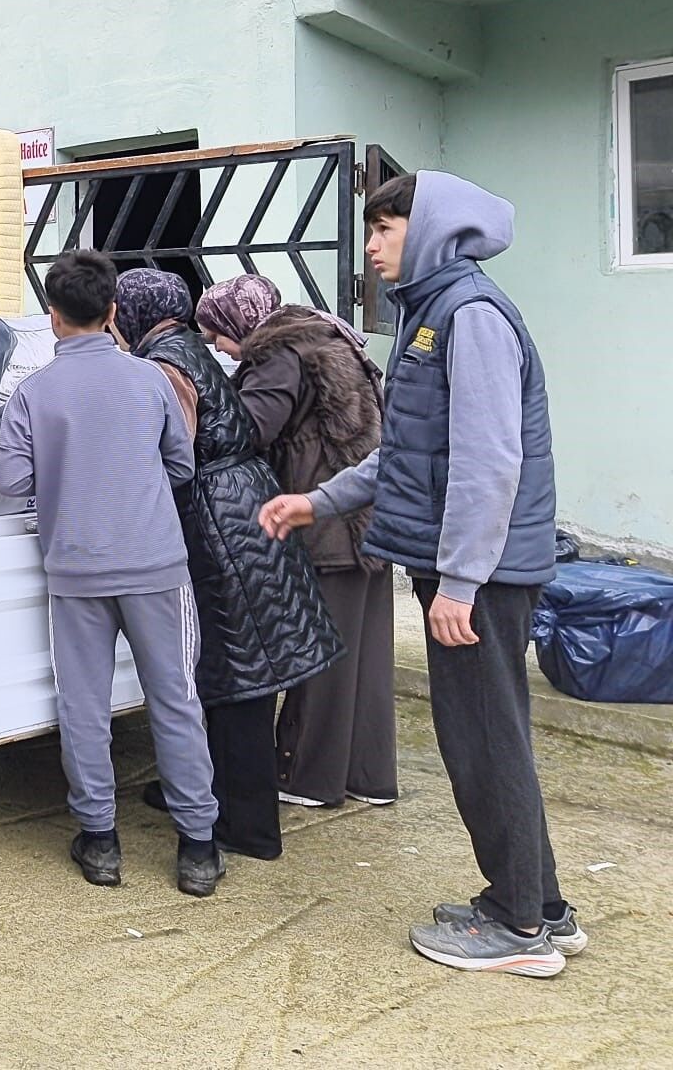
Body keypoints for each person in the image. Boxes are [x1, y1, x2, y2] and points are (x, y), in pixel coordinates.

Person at [262, 172, 583, 977]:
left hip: (482, 570)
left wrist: (461, 583)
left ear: (431, 227)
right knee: (491, 733)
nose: (370, 245)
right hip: (470, 563)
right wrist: (316, 502)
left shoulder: (469, 317)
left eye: (385, 227)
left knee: (482, 742)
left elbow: (486, 462)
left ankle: (517, 931)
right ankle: (539, 905)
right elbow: (408, 457)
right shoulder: (431, 314)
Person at [0, 250, 223, 897]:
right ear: (113, 311)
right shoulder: (151, 380)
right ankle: (197, 849)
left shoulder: (33, 394)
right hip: (155, 565)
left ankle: (100, 842)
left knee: (83, 707)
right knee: (175, 699)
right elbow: (181, 465)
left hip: (75, 570)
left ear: (53, 317)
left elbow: (11, 481)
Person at [115, 268, 342, 862]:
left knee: (238, 679)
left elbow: (176, 448)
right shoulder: (183, 345)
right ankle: (207, 793)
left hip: (220, 525)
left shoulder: (164, 363)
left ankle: (248, 828)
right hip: (243, 507)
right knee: (229, 674)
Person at [196, 274, 394, 812]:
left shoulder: (278, 355)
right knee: (367, 655)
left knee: (318, 655)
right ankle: (369, 776)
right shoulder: (327, 335)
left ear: (242, 325)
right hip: (370, 515)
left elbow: (249, 429)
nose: (218, 347)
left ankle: (307, 776)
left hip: (323, 517)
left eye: (218, 335)